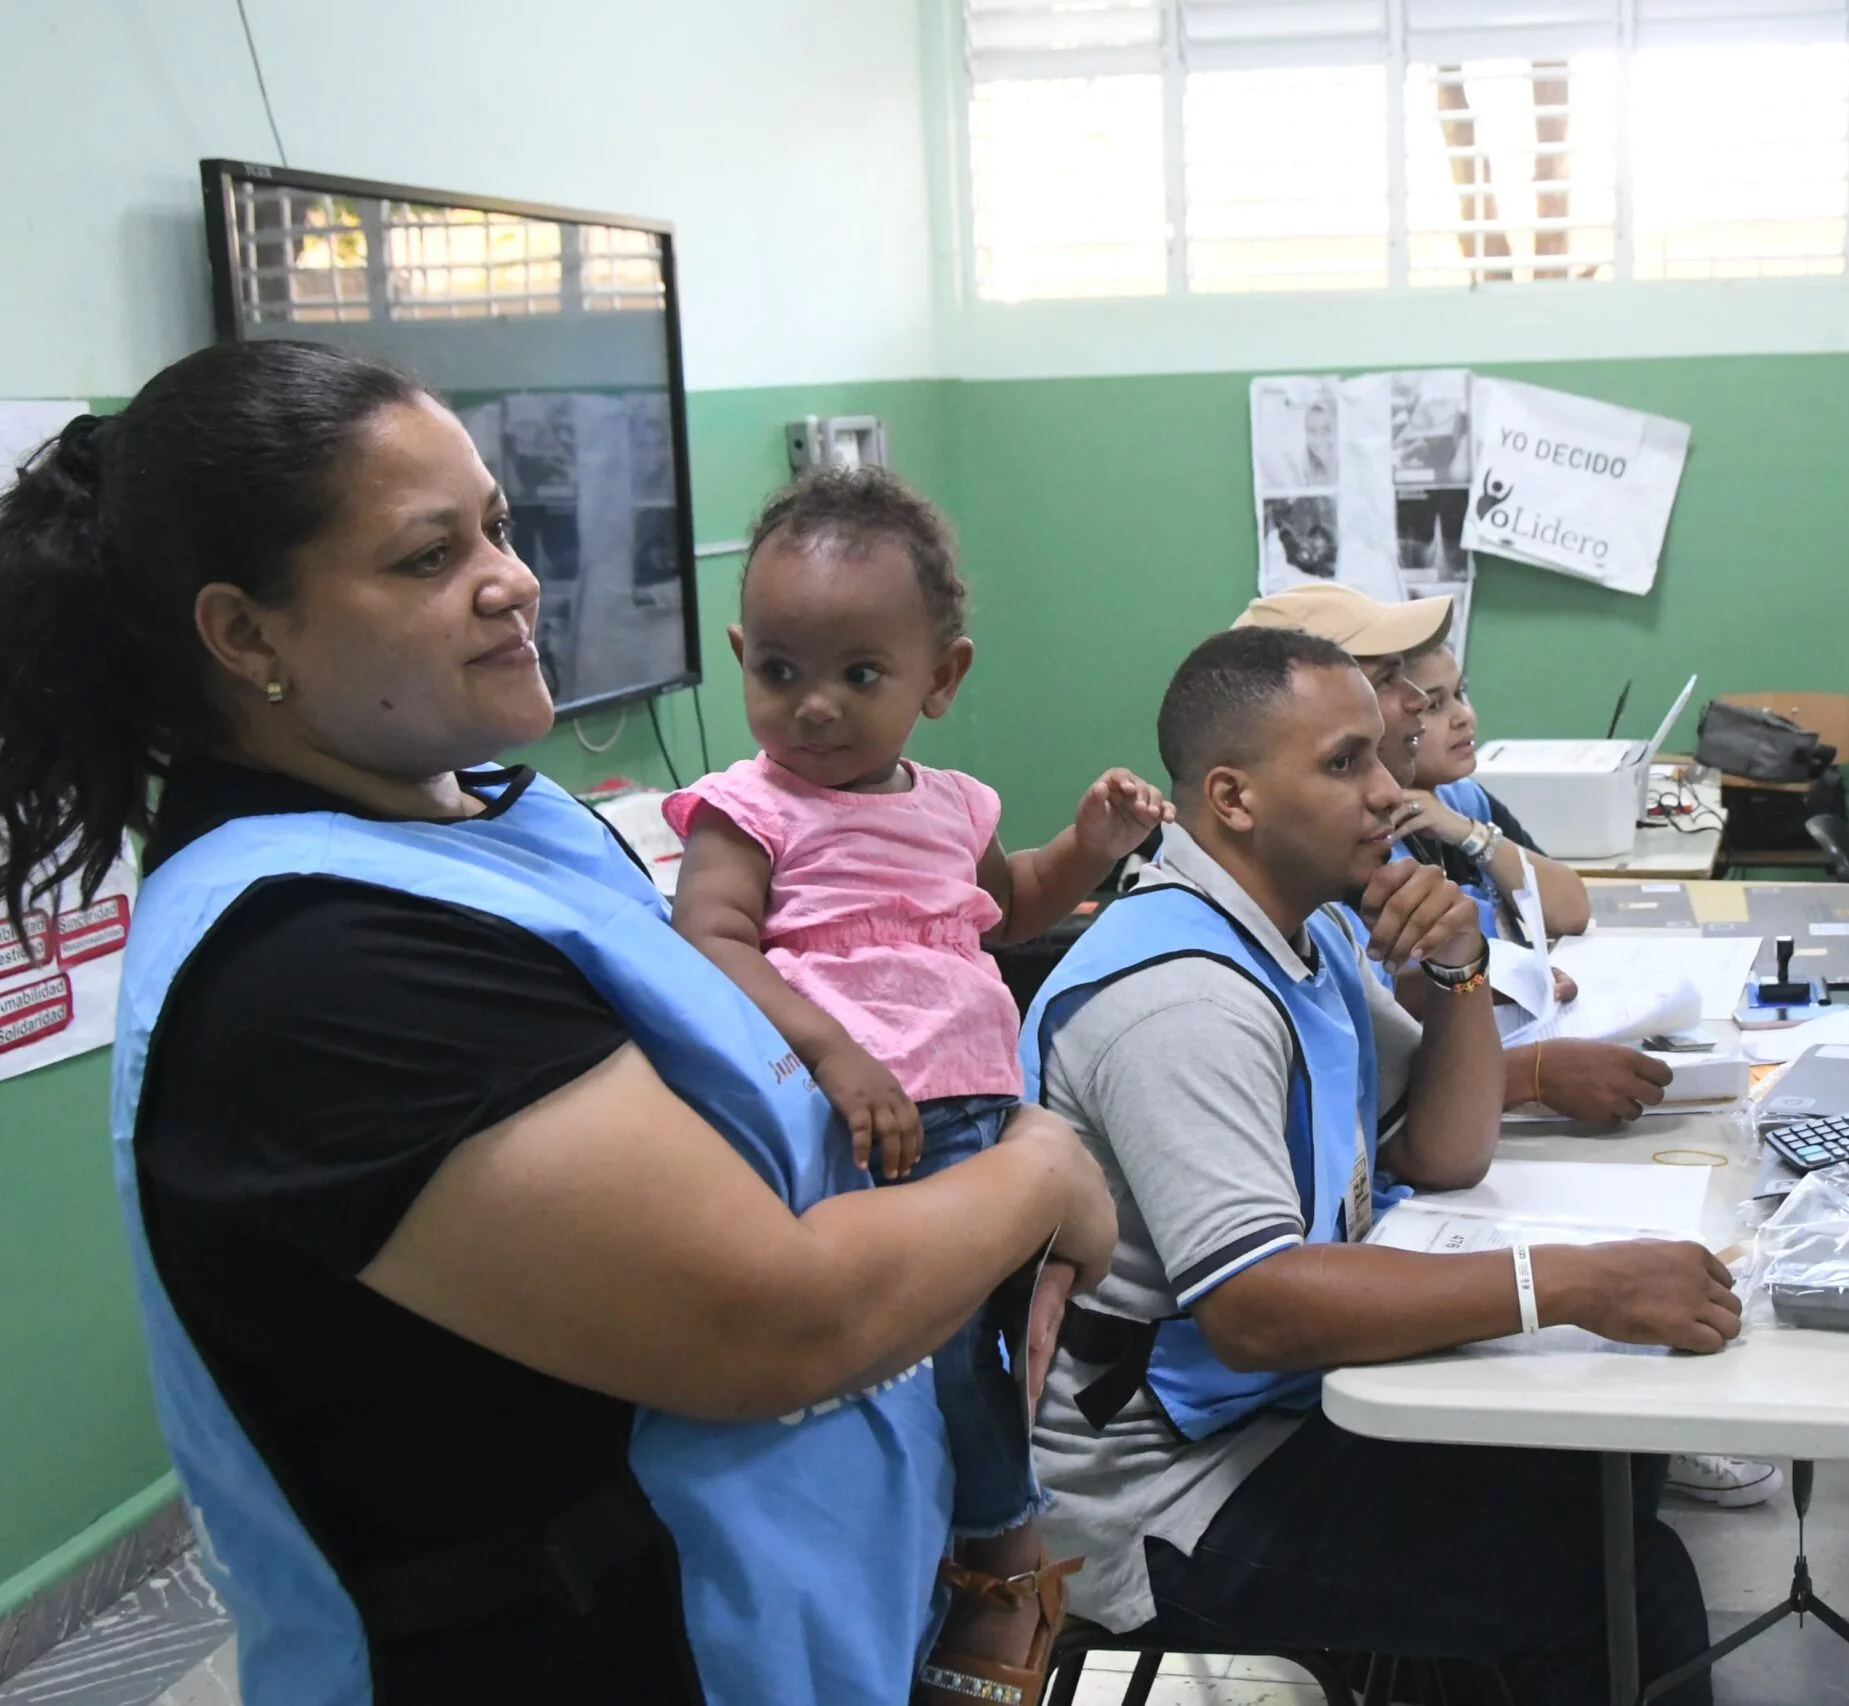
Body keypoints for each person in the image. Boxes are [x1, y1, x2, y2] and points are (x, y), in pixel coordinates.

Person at [0, 340, 1117, 1705]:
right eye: (427, 557)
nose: (512, 579)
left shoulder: (503, 818)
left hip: (815, 1608)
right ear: (246, 635)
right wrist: (1040, 1172)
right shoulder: (314, 972)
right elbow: (773, 1321)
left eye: (498, 526)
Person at [1023, 627, 1741, 1701]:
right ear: (1232, 797)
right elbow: (1256, 1307)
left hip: (1271, 1408)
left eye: (1377, 755)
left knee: (1606, 1458)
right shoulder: (1182, 998)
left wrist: (1457, 969)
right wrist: (1576, 1284)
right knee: (1615, 1584)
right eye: (1344, 762)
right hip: (1166, 1488)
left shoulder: (1296, 935)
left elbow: (1445, 1149)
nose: (1386, 792)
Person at [663, 465, 1170, 1702]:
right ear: (739, 654)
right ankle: (1003, 1554)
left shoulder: (951, 806)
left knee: (1006, 1342)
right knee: (927, 1350)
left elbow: (1008, 908)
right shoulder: (746, 810)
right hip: (857, 1118)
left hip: (985, 1114)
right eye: (778, 669)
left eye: (859, 673)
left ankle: (972, 1546)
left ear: (942, 678)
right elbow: (708, 943)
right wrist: (839, 1051)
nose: (813, 706)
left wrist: (1089, 846)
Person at [1232, 585, 1672, 1127]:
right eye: (1391, 680)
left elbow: (1415, 1107)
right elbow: (1368, 1075)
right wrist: (1523, 1072)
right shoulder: (1316, 868)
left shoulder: (1438, 803)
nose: (1420, 703)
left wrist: (1472, 975)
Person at [1397, 639, 1593, 942]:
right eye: (1434, 705)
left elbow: (1570, 915)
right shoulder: (1377, 845)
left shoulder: (1462, 798)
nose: (1463, 716)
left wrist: (1470, 835)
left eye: (1460, 693)